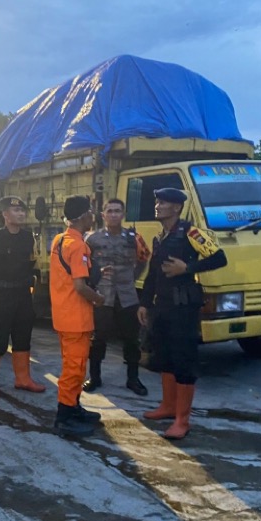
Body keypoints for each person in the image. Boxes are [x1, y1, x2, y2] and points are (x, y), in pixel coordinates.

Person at [138, 188, 227, 440]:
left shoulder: (191, 233)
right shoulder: (160, 237)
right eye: (157, 201)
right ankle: (167, 407)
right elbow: (153, 275)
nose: (157, 205)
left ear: (176, 208)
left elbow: (220, 258)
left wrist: (187, 268)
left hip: (184, 307)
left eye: (162, 202)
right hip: (162, 307)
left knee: (184, 360)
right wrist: (145, 303)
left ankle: (182, 420)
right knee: (164, 357)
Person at [0, 196, 45, 402]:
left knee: (23, 337)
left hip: (23, 294)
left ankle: (23, 379)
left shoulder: (27, 237)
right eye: (16, 211)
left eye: (22, 210)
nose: (21, 214)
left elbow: (32, 262)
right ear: (5, 215)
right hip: (1, 296)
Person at [49, 195, 106, 437]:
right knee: (74, 369)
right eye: (91, 212)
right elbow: (80, 287)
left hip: (63, 315)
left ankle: (73, 407)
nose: (94, 216)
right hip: (76, 317)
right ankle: (64, 417)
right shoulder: (79, 245)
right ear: (83, 216)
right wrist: (99, 299)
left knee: (74, 365)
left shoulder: (60, 239)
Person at [83, 199, 151, 396]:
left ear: (123, 214)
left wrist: (133, 277)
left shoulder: (133, 238)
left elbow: (144, 258)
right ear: (103, 215)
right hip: (103, 296)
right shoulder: (92, 239)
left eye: (117, 211)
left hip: (127, 296)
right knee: (98, 338)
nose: (113, 215)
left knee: (131, 339)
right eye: (109, 211)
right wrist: (93, 282)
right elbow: (85, 264)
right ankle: (94, 377)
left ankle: (133, 379)